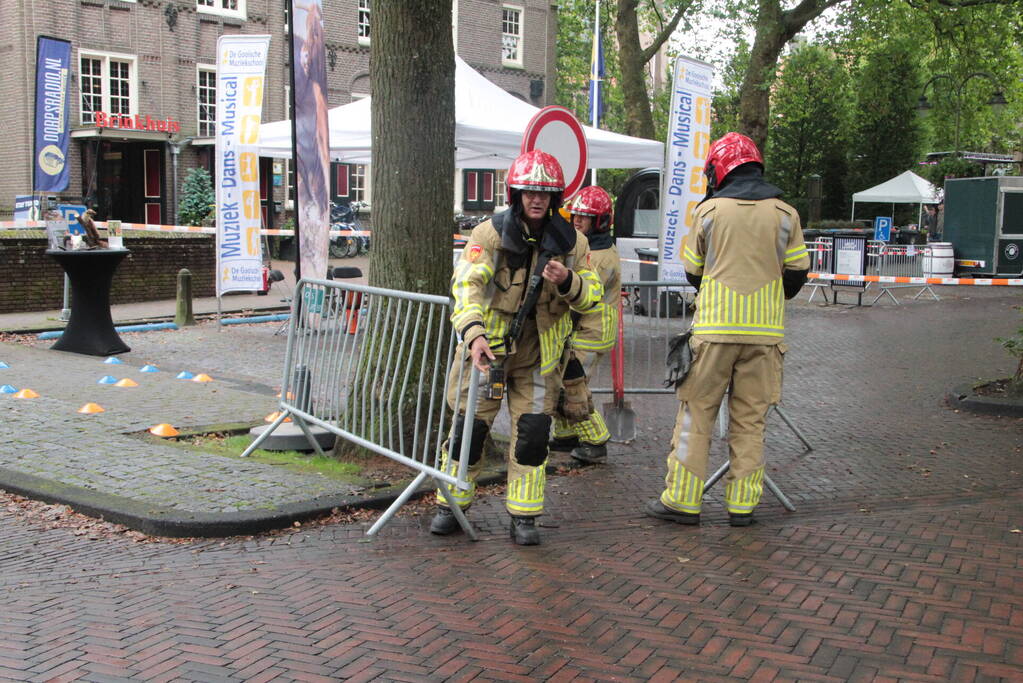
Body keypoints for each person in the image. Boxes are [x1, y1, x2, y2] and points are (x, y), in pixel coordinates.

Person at [431, 149, 604, 545]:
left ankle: (524, 516)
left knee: (533, 434)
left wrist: (567, 281)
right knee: (469, 431)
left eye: (544, 193)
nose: (536, 199)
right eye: (529, 192)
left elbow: (593, 295)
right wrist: (474, 334)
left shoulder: (573, 243)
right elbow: (467, 285)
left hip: (540, 355)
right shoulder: (489, 235)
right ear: (516, 194)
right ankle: (451, 505)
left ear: (555, 197)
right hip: (487, 353)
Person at [645, 132, 810, 527]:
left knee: (696, 415)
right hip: (765, 337)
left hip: (714, 332)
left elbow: (693, 271)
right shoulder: (786, 214)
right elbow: (797, 274)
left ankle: (682, 501)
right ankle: (742, 506)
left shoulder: (709, 212)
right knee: (750, 421)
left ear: (718, 170)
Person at [549, 185, 621, 463]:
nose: (577, 220)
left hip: (591, 331)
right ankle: (566, 434)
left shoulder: (600, 257)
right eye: (576, 215)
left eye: (585, 217)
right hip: (582, 329)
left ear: (599, 221)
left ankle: (595, 440)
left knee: (571, 385)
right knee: (558, 378)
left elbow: (582, 297)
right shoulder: (591, 247)